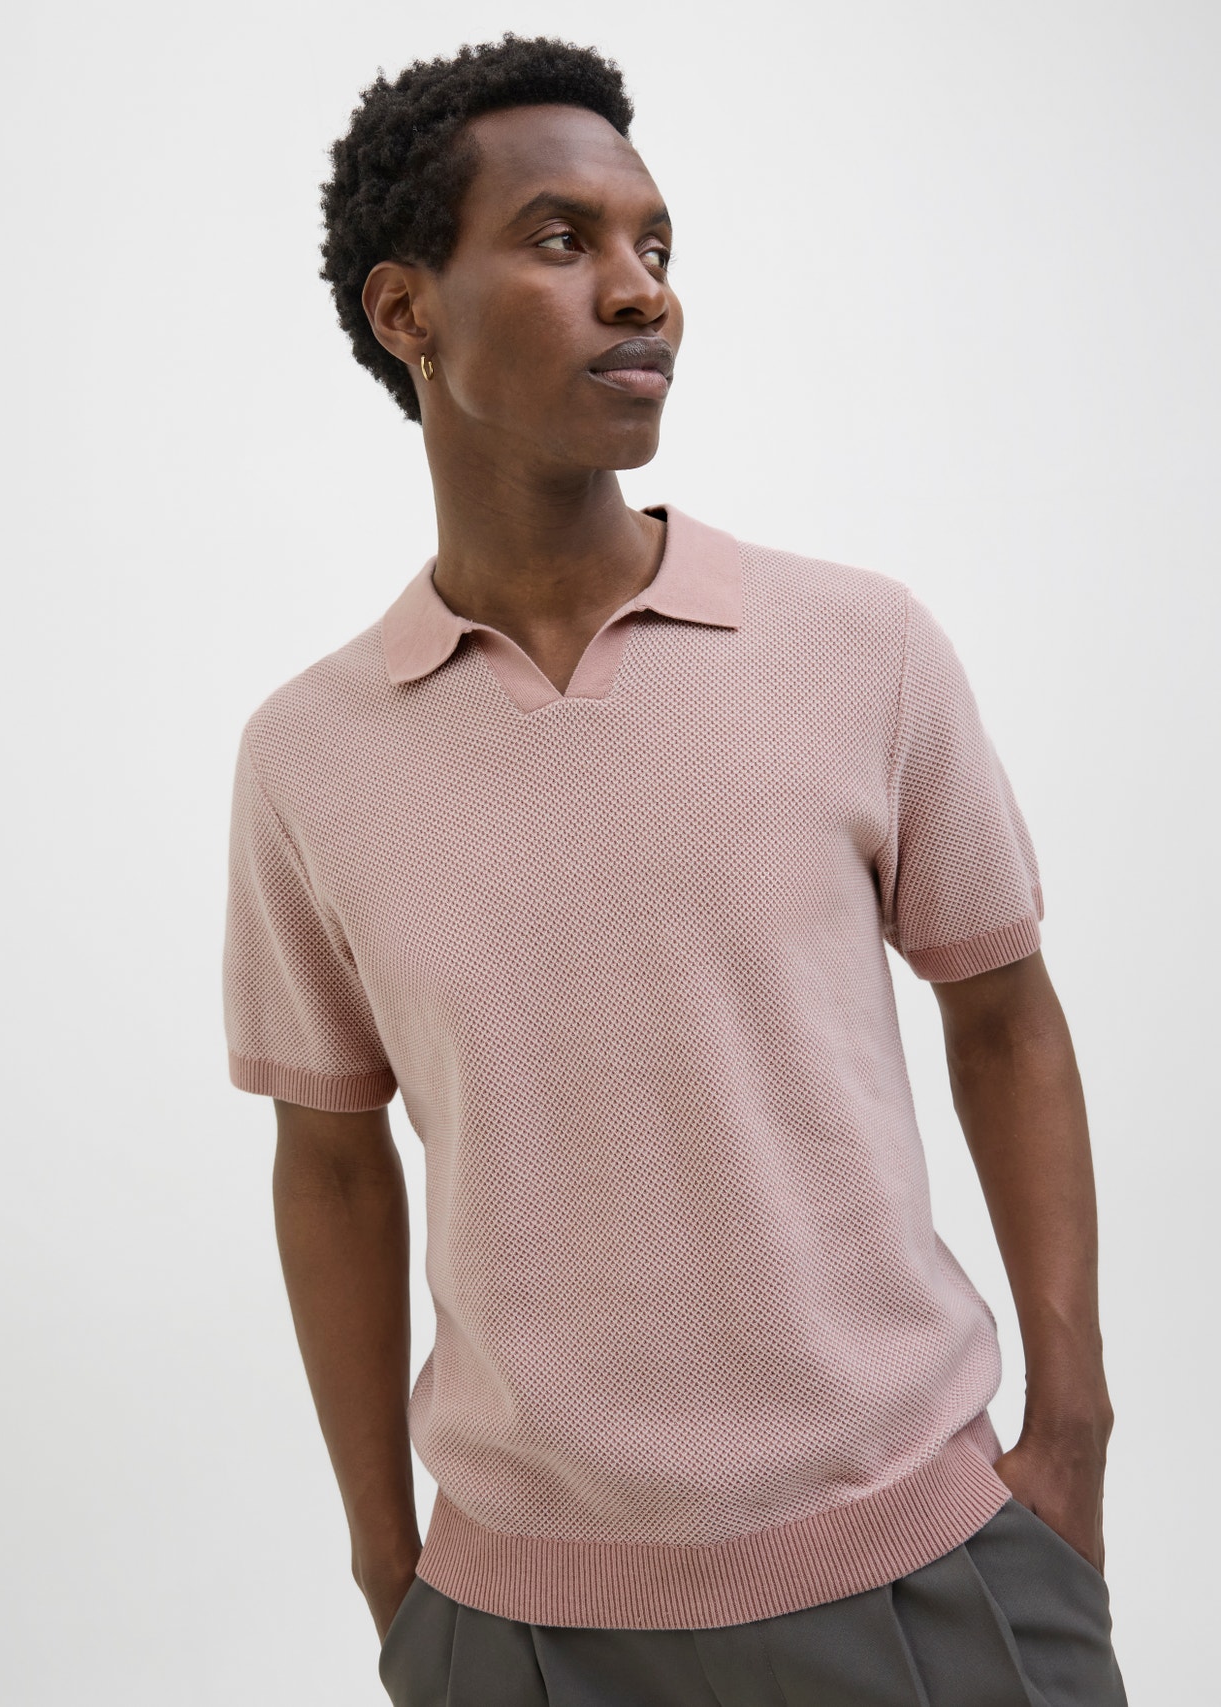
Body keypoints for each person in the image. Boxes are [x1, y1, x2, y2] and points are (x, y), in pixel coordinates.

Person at [222, 33, 1128, 1706]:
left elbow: (1006, 1020)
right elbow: (333, 1168)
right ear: (406, 310)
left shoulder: (861, 645)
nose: (643, 291)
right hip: (517, 1630)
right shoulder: (311, 756)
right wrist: (388, 1568)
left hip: (930, 1575)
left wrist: (1069, 1437)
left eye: (655, 245)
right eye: (563, 241)